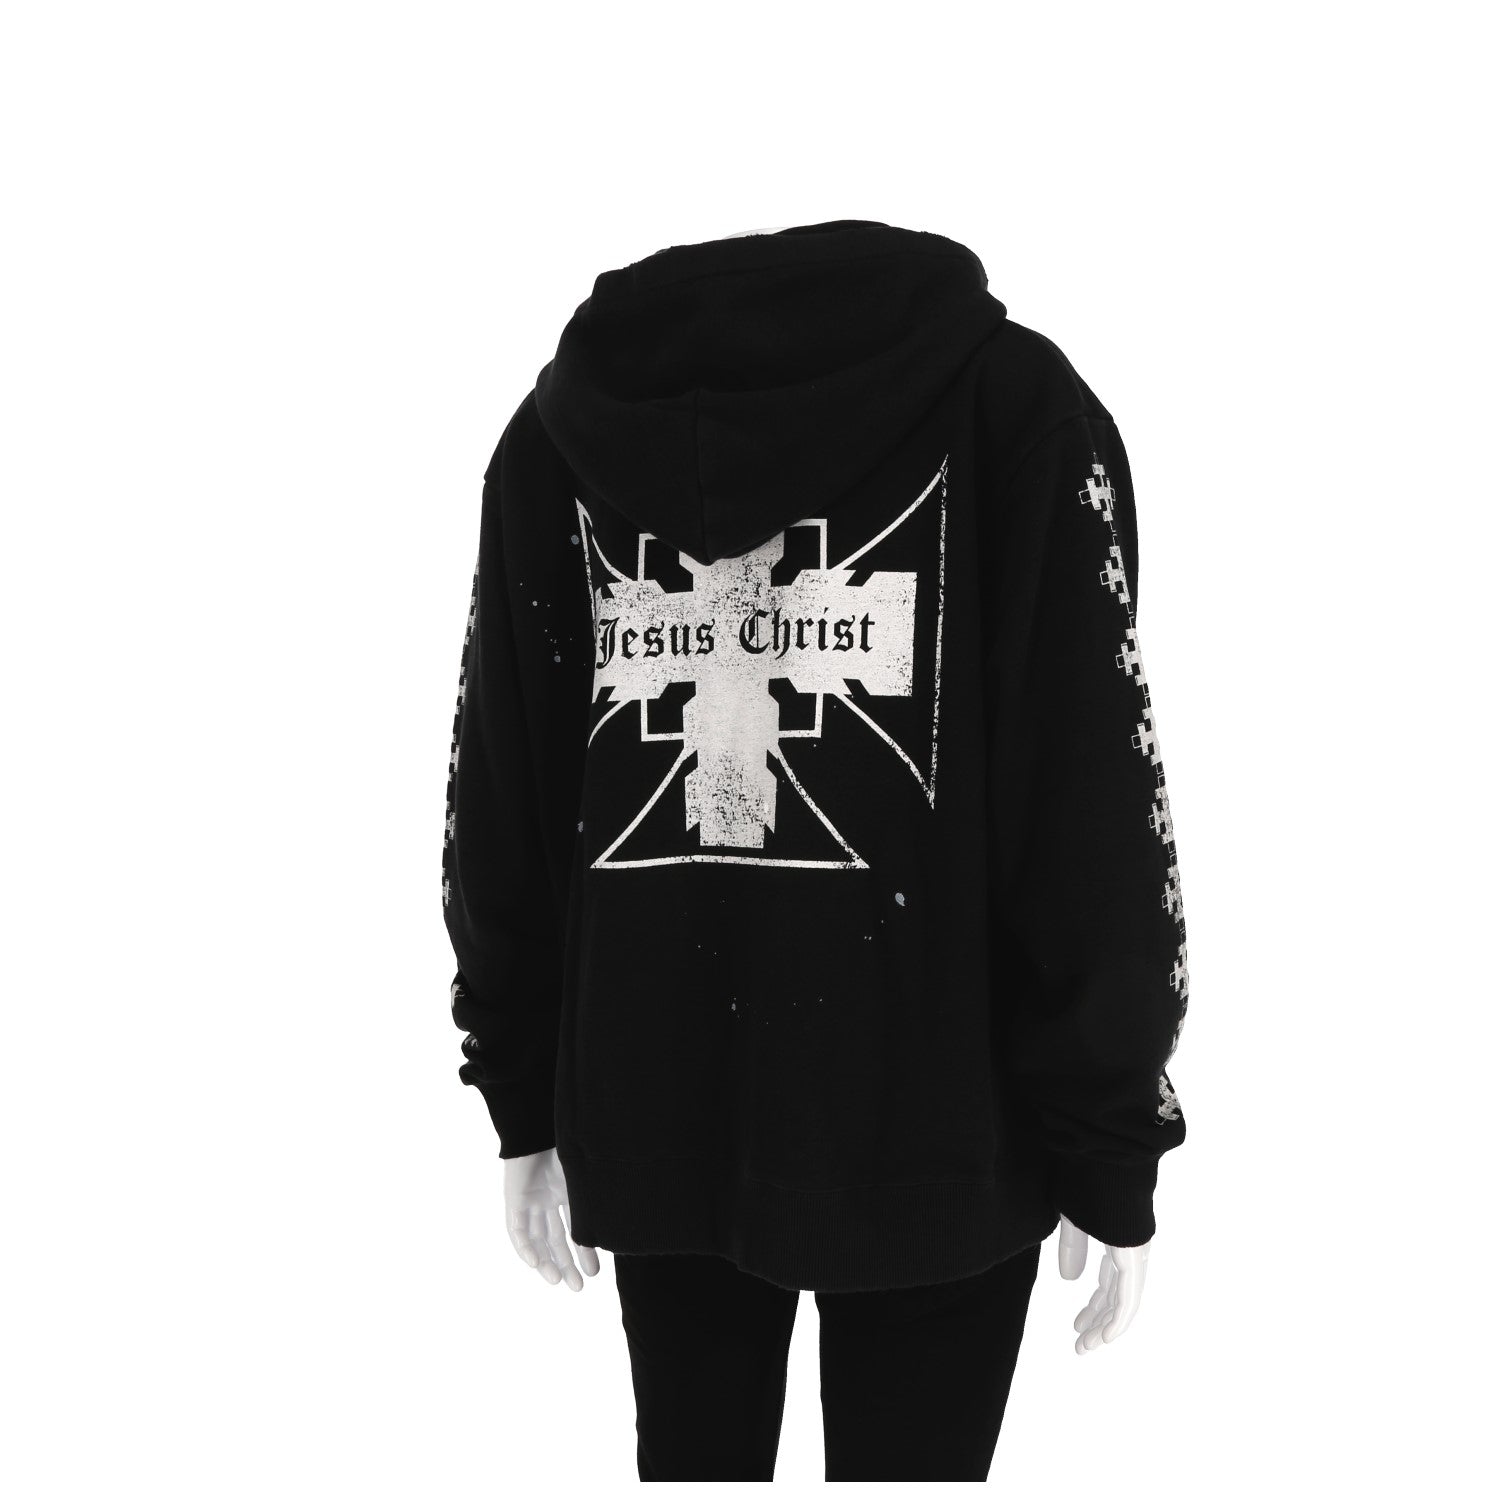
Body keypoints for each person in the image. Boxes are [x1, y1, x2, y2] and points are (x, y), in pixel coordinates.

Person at [441, 219, 1190, 1480]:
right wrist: (1106, 1127)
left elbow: (500, 793)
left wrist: (524, 1091)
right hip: (942, 1115)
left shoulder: (559, 439)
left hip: (656, 1093)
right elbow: (1088, 799)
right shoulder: (1017, 409)